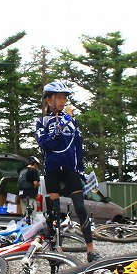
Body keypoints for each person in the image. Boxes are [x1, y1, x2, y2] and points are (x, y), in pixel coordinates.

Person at [35, 81, 98, 262]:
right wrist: (61, 124)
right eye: (58, 97)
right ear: (49, 100)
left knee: (80, 207)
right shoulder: (42, 122)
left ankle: (90, 250)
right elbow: (45, 145)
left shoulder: (72, 121)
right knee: (54, 212)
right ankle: (56, 250)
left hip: (70, 169)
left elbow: (78, 146)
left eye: (64, 97)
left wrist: (81, 169)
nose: (63, 101)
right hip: (52, 169)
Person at [17, 156, 41, 222]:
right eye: (37, 165)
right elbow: (35, 183)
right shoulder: (34, 171)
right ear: (35, 164)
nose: (37, 167)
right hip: (30, 195)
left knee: (25, 214)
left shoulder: (22, 171)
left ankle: (25, 226)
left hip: (21, 195)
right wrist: (38, 185)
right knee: (32, 215)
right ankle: (31, 229)